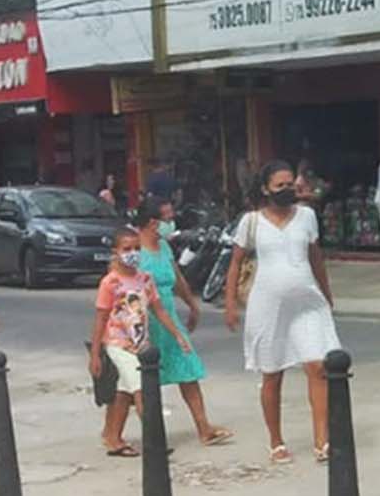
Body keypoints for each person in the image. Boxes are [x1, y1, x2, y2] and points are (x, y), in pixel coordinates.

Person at [225, 163, 343, 465]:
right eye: (280, 185)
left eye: (291, 183)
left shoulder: (307, 217)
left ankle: (322, 440)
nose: (288, 189)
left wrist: (326, 294)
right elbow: (236, 263)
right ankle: (276, 441)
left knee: (319, 367)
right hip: (268, 306)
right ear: (265, 189)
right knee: (272, 374)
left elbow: (316, 258)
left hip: (307, 303)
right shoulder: (251, 222)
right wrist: (230, 305)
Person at [135, 204, 231, 446]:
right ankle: (123, 433)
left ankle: (203, 427)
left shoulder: (164, 247)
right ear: (152, 222)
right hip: (144, 320)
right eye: (166, 217)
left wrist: (192, 305)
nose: (172, 222)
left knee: (188, 371)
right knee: (136, 382)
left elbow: (177, 279)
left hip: (168, 316)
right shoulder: (135, 249)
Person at [89, 228, 189, 458]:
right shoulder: (110, 283)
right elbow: (101, 318)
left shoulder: (144, 279)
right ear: (116, 252)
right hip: (117, 344)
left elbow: (159, 310)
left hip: (140, 345)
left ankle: (113, 437)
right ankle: (155, 440)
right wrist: (95, 353)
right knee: (143, 391)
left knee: (124, 393)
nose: (132, 253)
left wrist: (177, 335)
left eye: (136, 248)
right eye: (127, 249)